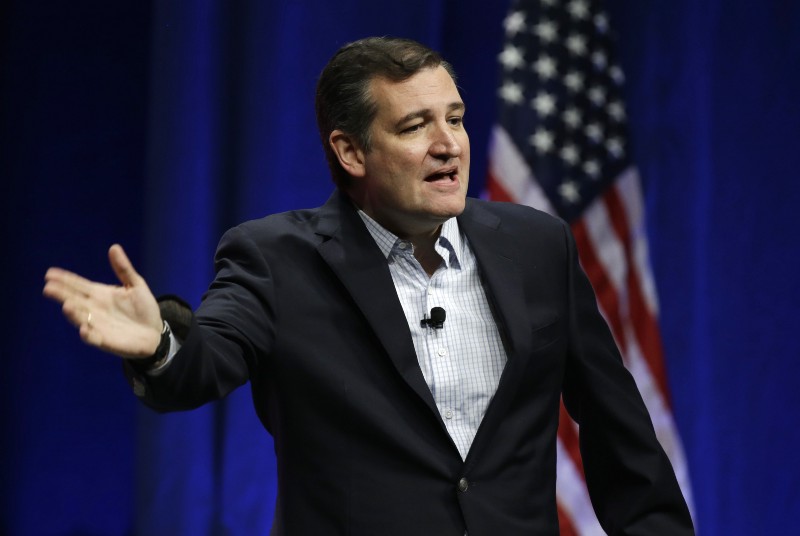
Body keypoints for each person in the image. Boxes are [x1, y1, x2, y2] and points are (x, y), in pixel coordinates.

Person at [43, 37, 694, 535]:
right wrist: (160, 342)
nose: (449, 145)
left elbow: (620, 436)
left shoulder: (537, 247)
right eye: (415, 127)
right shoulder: (277, 258)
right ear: (351, 152)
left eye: (457, 119)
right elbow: (208, 360)